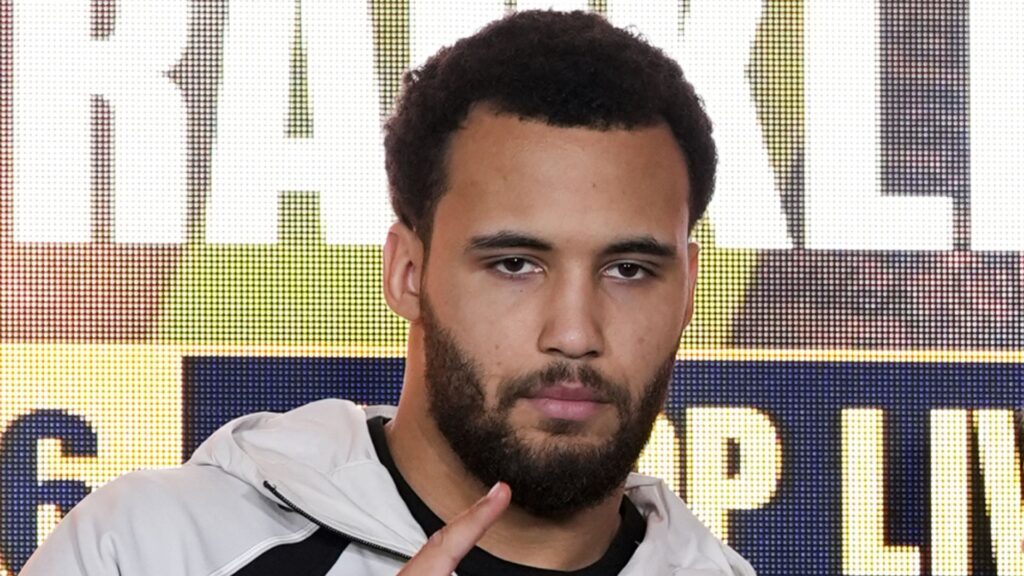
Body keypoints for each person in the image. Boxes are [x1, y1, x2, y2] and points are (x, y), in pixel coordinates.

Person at [22, 9, 755, 576]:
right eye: (513, 264)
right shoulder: (153, 551)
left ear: (687, 289)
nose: (574, 331)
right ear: (407, 273)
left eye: (628, 270)